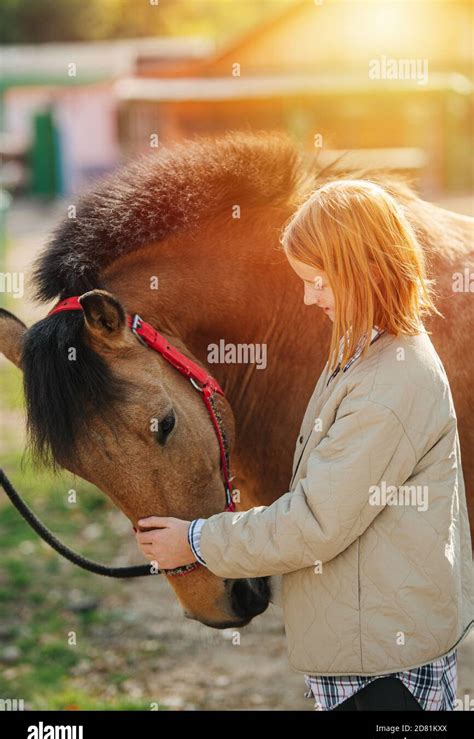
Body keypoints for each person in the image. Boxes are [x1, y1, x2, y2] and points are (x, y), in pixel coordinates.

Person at [135, 179, 474, 711]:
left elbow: (317, 521)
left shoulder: (391, 383)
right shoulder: (364, 351)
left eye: (319, 281)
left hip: (385, 667)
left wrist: (198, 542)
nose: (308, 296)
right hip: (363, 643)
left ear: (363, 272)